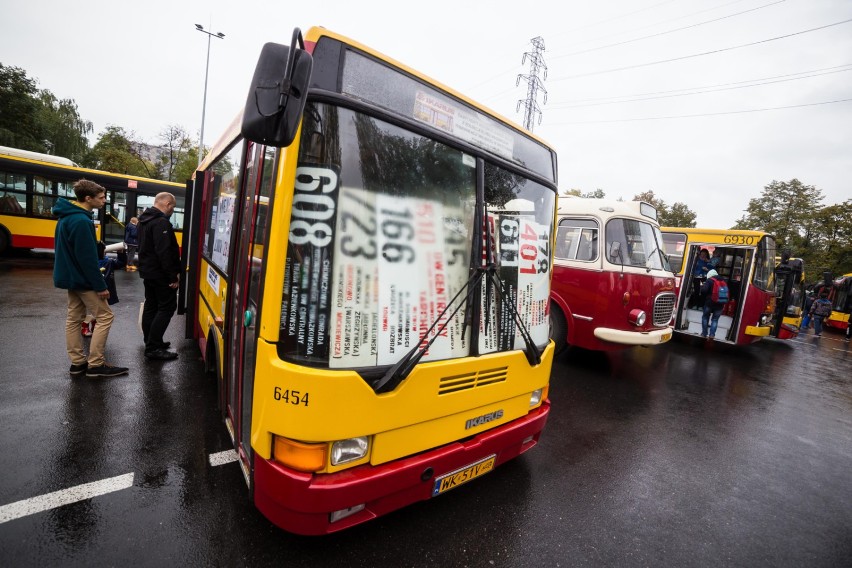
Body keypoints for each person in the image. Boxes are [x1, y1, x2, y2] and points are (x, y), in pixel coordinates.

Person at [52, 179, 129, 378]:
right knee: (105, 316)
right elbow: (88, 260)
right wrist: (100, 285)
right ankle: (95, 364)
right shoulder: (82, 221)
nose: (104, 201)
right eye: (101, 198)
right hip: (83, 279)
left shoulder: (66, 216)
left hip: (71, 277)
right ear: (88, 198)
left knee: (73, 319)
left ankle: (77, 363)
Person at [138, 192, 180, 360]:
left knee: (151, 306)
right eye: (173, 207)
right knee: (167, 307)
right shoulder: (161, 222)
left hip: (148, 272)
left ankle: (150, 341)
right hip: (160, 274)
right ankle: (154, 347)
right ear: (167, 204)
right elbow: (164, 252)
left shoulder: (143, 219)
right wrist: (172, 277)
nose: (172, 210)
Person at [700, 269, 727, 339]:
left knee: (705, 317)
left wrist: (702, 286)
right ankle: (712, 335)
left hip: (709, 303)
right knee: (715, 320)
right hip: (720, 304)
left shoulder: (709, 280)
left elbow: (704, 291)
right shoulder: (723, 281)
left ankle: (704, 333)